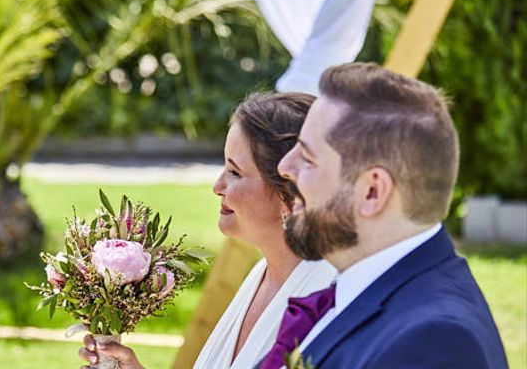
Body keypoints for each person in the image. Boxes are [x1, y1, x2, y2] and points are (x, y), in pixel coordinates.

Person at [258, 62, 508, 369]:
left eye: (307, 159)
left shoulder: (433, 343)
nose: (285, 166)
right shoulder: (372, 287)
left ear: (372, 192)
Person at [78, 92, 336, 369]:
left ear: (289, 193)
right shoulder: (260, 275)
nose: (217, 186)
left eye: (235, 172)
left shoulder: (324, 300)